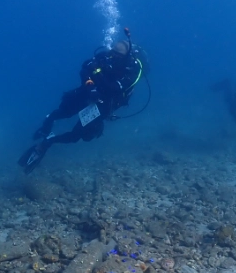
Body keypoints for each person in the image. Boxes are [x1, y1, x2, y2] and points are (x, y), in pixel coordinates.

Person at [19, 29, 147, 174]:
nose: (112, 56)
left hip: (105, 102)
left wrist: (97, 74)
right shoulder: (105, 56)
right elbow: (85, 69)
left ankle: (48, 142)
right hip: (89, 91)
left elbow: (113, 89)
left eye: (117, 55)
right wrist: (90, 85)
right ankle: (45, 127)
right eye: (112, 52)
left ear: (126, 56)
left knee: (78, 135)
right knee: (62, 112)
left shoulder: (133, 69)